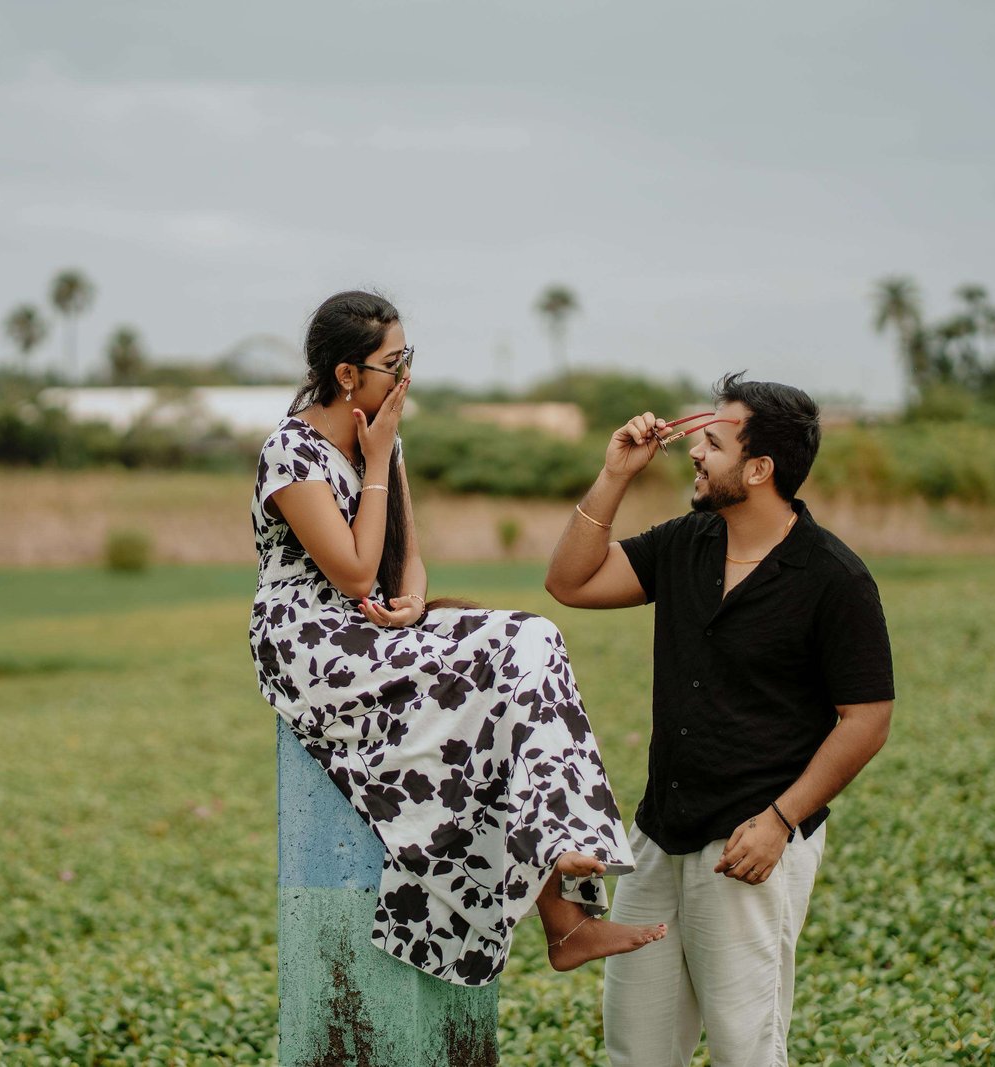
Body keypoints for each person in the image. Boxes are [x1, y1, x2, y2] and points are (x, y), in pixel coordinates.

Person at [251, 290, 665, 986]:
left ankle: (566, 903)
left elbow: (405, 555)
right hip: (311, 644)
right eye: (392, 363)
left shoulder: (385, 440)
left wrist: (414, 600)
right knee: (498, 667)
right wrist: (375, 461)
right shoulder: (291, 452)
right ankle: (561, 901)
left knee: (533, 637)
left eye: (407, 356)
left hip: (376, 625)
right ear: (347, 374)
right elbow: (353, 572)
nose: (406, 375)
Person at [544, 374, 895, 1065]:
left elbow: (867, 718)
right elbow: (571, 582)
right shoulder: (689, 542)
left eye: (712, 442)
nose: (694, 452)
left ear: (759, 469)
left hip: (750, 842)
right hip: (659, 832)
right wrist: (615, 475)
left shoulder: (833, 577)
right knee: (637, 1046)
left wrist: (780, 820)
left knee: (745, 1048)